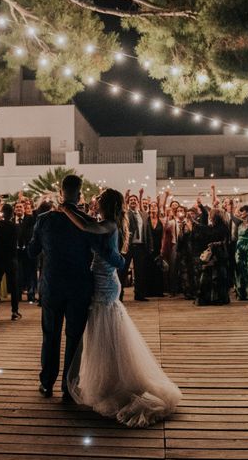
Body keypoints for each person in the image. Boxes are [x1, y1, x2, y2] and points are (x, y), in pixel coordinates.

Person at [60, 188, 182, 427]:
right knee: (103, 332)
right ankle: (109, 378)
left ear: (107, 205)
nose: (95, 205)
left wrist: (66, 209)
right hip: (104, 281)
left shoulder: (109, 226)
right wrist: (74, 211)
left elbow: (86, 227)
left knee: (105, 332)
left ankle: (113, 382)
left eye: (98, 202)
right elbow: (88, 222)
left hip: (105, 284)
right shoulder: (108, 222)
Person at [27, 175, 124, 400]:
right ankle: (68, 387)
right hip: (80, 286)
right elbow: (105, 251)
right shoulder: (87, 221)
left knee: (50, 335)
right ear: (79, 194)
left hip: (52, 285)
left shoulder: (43, 219)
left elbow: (32, 252)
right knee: (74, 337)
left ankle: (47, 383)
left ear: (61, 192)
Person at [0, 203, 21, 321]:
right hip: (11, 259)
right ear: (12, 214)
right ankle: (15, 311)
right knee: (14, 286)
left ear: (2, 213)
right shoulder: (15, 227)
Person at [197, 209, 231, 305]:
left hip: (219, 255)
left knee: (218, 277)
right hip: (212, 254)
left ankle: (217, 298)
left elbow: (225, 241)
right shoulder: (212, 227)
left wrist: (215, 244)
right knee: (208, 276)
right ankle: (209, 298)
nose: (210, 217)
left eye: (211, 215)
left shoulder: (223, 227)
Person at [121, 194, 149, 301]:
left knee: (140, 271)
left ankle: (139, 295)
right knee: (123, 271)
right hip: (128, 246)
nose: (133, 201)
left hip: (140, 246)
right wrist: (125, 198)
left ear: (138, 202)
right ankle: (120, 295)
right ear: (128, 202)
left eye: (135, 200)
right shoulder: (126, 214)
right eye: (131, 200)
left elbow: (146, 231)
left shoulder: (142, 215)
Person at [146, 201, 164, 297]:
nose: (153, 207)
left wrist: (162, 248)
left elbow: (163, 236)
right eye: (151, 206)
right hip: (148, 247)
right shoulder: (146, 219)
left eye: (155, 206)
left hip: (158, 247)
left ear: (158, 208)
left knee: (158, 268)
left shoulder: (161, 220)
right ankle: (149, 291)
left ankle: (158, 291)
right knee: (148, 267)